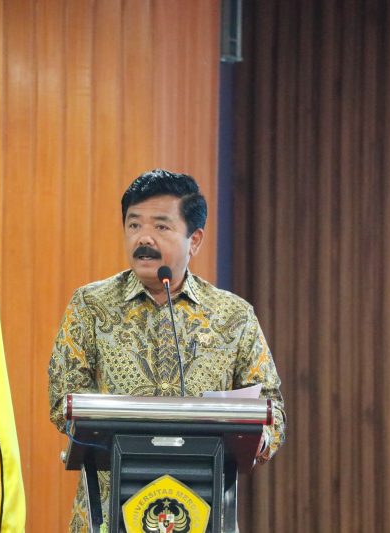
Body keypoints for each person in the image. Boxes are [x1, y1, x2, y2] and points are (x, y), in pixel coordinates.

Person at [48, 169, 285, 532]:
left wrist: (258, 440)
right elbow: (61, 397)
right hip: (110, 510)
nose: (144, 238)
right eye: (133, 225)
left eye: (161, 227)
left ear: (195, 240)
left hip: (204, 508)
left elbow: (271, 407)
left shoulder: (233, 316)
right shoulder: (91, 305)